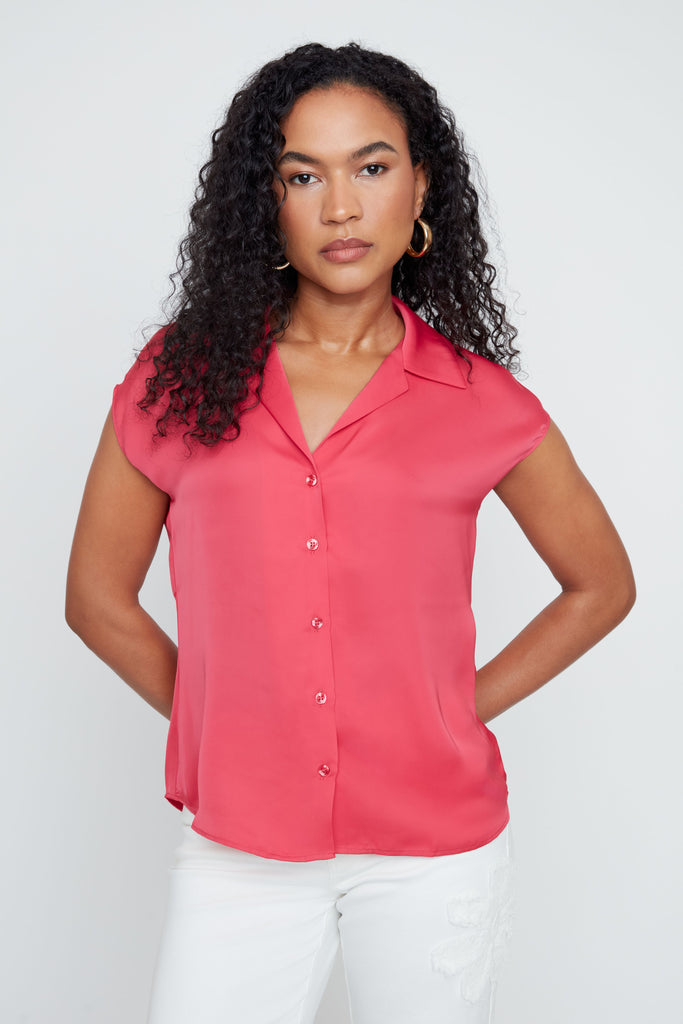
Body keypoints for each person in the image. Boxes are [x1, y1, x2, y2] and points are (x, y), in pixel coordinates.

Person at [65, 40, 635, 1024]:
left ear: (420, 186)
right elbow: (95, 600)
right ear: (265, 199)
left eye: (370, 167)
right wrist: (221, 723)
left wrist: (453, 707)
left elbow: (600, 585)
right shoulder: (179, 377)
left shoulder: (480, 402)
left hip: (433, 854)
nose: (339, 207)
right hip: (240, 852)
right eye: (302, 175)